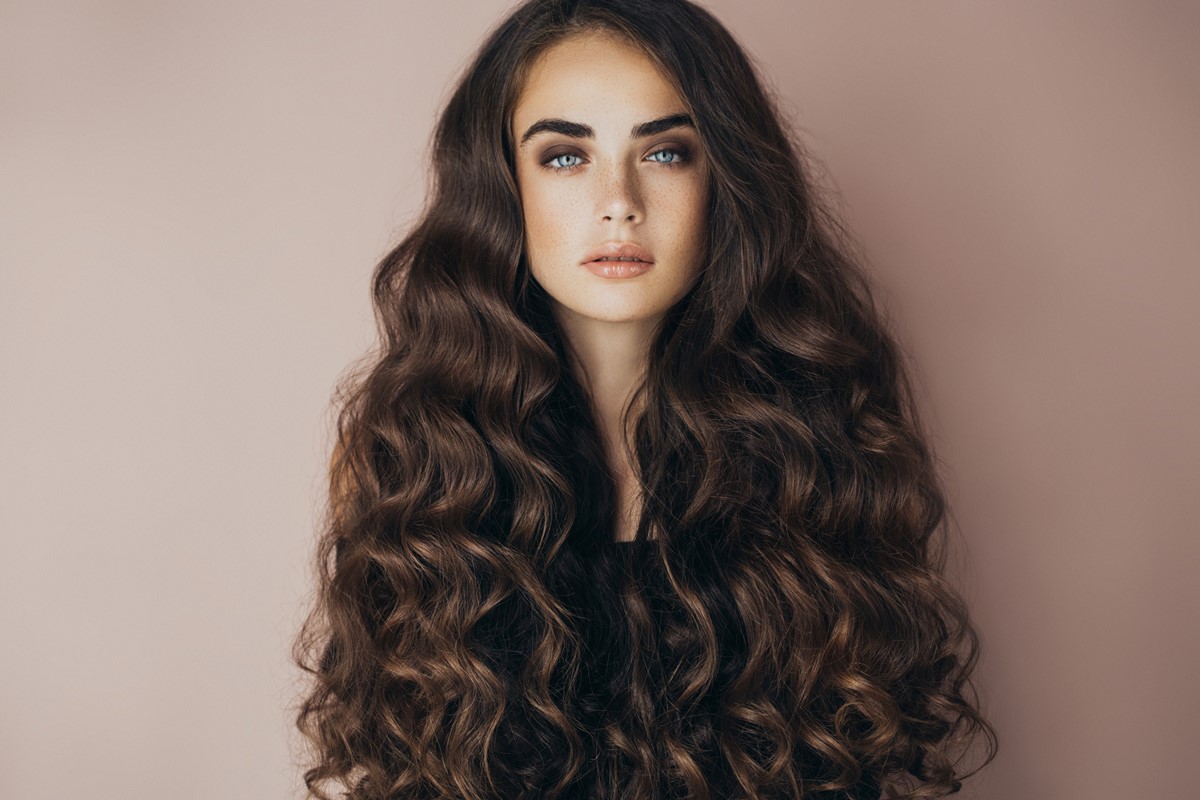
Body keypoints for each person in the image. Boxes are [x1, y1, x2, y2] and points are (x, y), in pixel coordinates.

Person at [292, 1, 998, 798]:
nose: (618, 199)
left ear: (723, 180)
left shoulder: (822, 448)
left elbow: (867, 748)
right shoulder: (411, 463)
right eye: (564, 157)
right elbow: (386, 761)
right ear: (501, 187)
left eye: (665, 152)